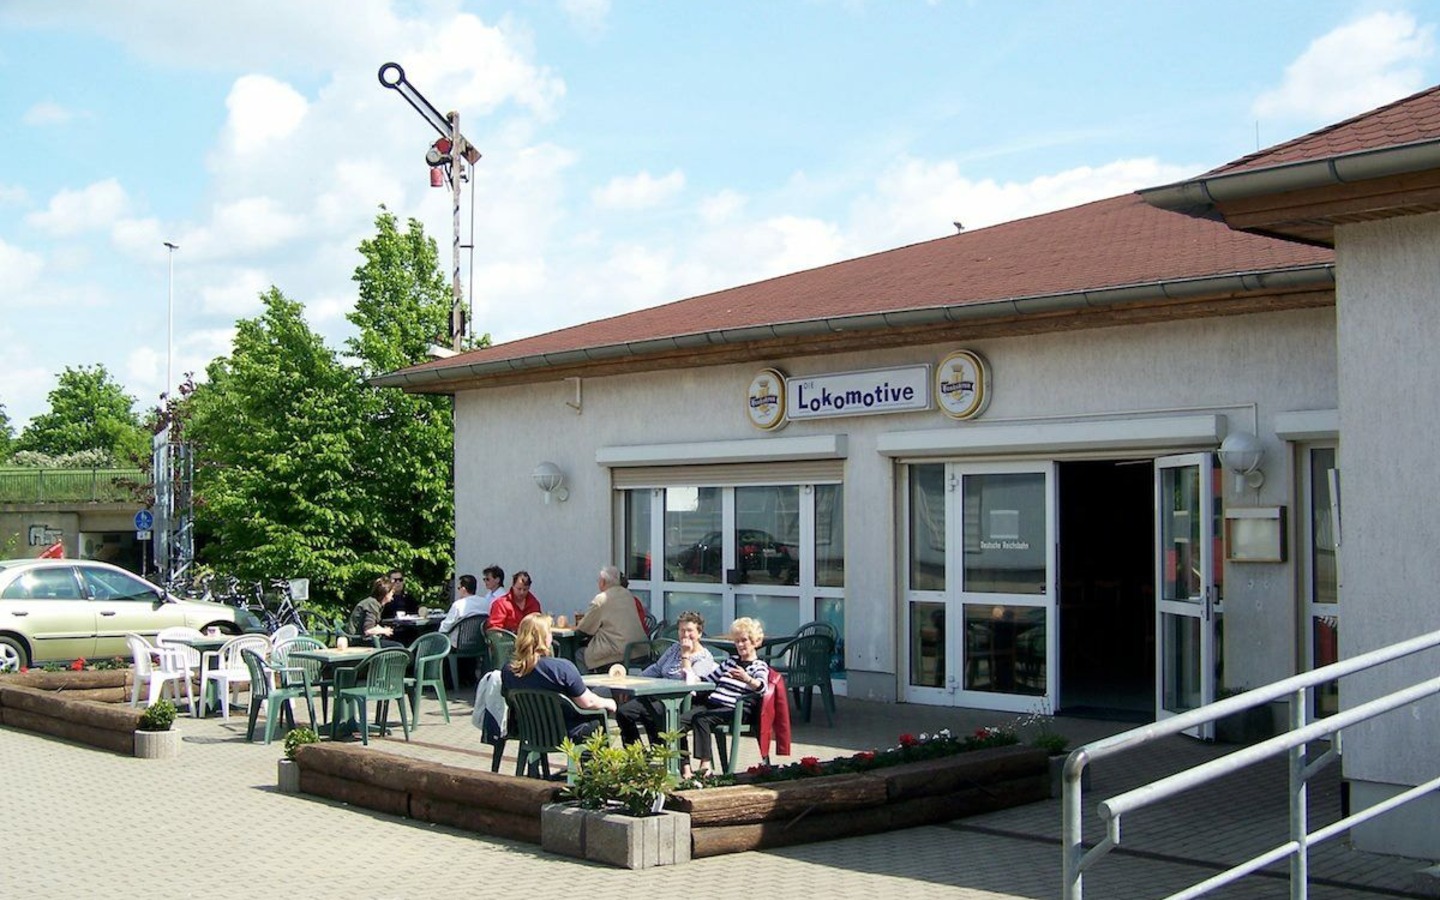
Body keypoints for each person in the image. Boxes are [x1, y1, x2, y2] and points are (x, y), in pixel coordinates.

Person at [501, 612, 616, 742]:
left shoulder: (508, 669)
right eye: (549, 632)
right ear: (545, 638)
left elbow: (508, 699)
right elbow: (587, 702)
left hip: (529, 733)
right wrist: (609, 703)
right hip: (565, 733)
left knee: (598, 693)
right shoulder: (561, 668)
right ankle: (592, 762)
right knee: (598, 716)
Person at [678, 617, 769, 777]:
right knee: (678, 722)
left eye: (744, 641)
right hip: (714, 704)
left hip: (735, 709)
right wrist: (690, 674)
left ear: (755, 642)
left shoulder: (758, 666)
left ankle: (705, 766)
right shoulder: (731, 661)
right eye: (737, 641)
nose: (740, 645)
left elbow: (762, 687)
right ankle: (685, 767)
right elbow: (708, 681)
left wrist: (746, 679)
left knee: (701, 718)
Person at [616, 610, 716, 746]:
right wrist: (633, 682)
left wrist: (685, 654)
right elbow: (657, 668)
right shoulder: (675, 648)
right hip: (658, 694)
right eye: (682, 631)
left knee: (649, 712)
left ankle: (659, 746)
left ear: (699, 632)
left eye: (690, 631)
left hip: (680, 700)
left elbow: (691, 684)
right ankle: (637, 754)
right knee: (624, 712)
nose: (685, 635)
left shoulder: (704, 657)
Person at [575, 565, 649, 671]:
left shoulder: (601, 599)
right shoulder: (627, 594)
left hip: (618, 652)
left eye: (598, 580)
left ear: (603, 582)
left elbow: (584, 629)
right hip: (639, 648)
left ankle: (589, 686)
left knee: (580, 654)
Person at [438, 574, 489, 647]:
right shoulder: (485, 602)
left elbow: (446, 626)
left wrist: (439, 632)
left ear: (463, 589)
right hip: (480, 645)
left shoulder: (458, 604)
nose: (458, 590)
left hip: (459, 645)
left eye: (459, 588)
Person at [348, 577, 398, 644]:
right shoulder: (372, 604)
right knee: (398, 647)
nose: (392, 596)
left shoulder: (374, 603)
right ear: (386, 593)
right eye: (392, 592)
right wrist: (384, 631)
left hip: (363, 638)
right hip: (358, 641)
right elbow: (368, 630)